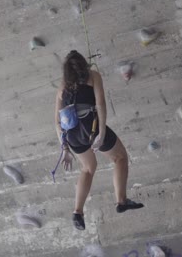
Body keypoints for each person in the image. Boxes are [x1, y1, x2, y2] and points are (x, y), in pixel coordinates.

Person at [54, 50, 144, 230]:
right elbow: (100, 104)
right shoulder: (93, 76)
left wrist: (65, 149)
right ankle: (121, 201)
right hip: (91, 128)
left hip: (72, 134)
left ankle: (77, 212)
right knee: (119, 157)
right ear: (83, 64)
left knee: (87, 168)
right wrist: (101, 133)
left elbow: (58, 120)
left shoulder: (62, 86)